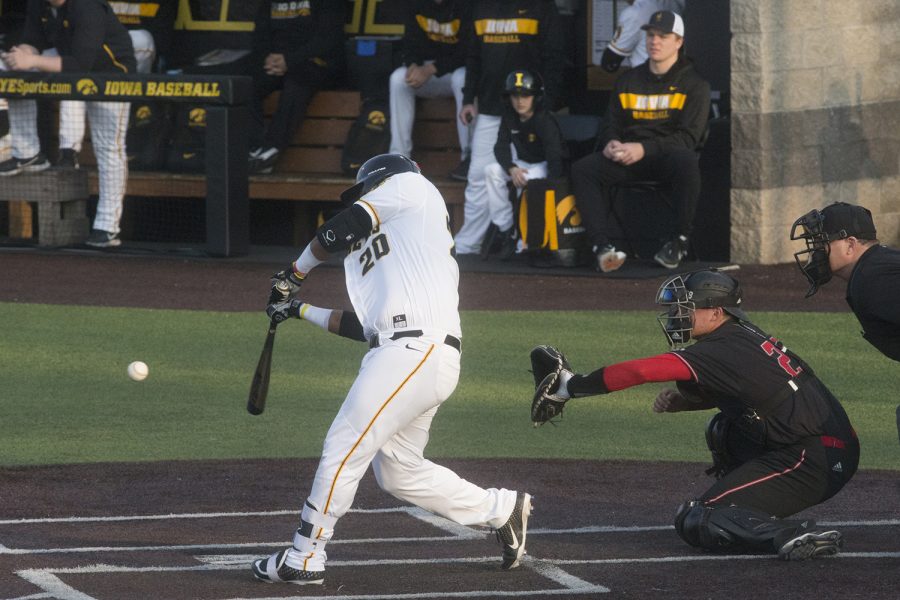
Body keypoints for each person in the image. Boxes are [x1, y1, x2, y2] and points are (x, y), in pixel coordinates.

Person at [250, 153, 532, 585]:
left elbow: (344, 225)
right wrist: (297, 309)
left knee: (344, 445)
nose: (362, 197)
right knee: (399, 471)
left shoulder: (410, 186)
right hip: (407, 355)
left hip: (414, 351)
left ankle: (305, 555)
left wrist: (295, 271)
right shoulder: (389, 250)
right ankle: (500, 510)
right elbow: (365, 327)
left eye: (364, 190)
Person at [531, 269, 859, 560]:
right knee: (722, 429)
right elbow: (754, 394)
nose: (677, 314)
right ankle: (747, 502)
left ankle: (788, 533)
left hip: (812, 458)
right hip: (821, 444)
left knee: (701, 517)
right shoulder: (740, 335)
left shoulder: (720, 348)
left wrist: (572, 386)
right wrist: (686, 403)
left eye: (686, 307)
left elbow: (641, 371)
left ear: (716, 312)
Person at [571, 10, 709, 272]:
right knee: (583, 168)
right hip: (627, 159)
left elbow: (688, 138)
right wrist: (611, 143)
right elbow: (610, 124)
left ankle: (678, 242)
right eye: (650, 35)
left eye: (663, 36)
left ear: (678, 41)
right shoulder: (628, 80)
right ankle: (602, 247)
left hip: (666, 160)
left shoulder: (694, 84)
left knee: (687, 161)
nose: (654, 41)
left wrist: (644, 148)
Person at [0, 0, 136, 248]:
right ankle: (27, 152)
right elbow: (33, 40)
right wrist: (22, 54)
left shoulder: (87, 7)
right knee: (7, 65)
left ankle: (107, 228)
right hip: (69, 59)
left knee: (109, 149)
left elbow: (80, 65)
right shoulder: (38, 4)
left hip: (112, 74)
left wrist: (33, 62)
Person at [452, 0, 564, 255]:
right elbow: (474, 57)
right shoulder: (480, 7)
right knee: (479, 176)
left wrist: (547, 104)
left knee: (529, 177)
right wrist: (469, 99)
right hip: (492, 108)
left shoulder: (541, 7)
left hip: (530, 112)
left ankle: (528, 240)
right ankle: (469, 244)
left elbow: (554, 57)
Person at [55, 0, 177, 169]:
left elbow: (163, 40)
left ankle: (137, 99)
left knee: (144, 38)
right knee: (75, 72)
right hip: (87, 50)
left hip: (123, 57)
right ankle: (68, 151)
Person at [791, 202, 900, 362]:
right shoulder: (877, 264)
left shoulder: (872, 278)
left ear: (850, 244)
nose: (816, 251)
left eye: (822, 243)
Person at [247, 0, 345, 174]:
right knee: (246, 84)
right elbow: (260, 34)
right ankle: (254, 148)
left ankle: (271, 149)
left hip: (314, 62)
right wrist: (269, 58)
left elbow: (327, 39)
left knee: (296, 83)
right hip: (275, 62)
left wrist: (290, 60)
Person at [481, 68, 566, 259]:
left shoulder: (544, 120)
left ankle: (524, 237)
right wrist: (511, 168)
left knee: (525, 180)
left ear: (536, 97)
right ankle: (506, 228)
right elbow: (500, 147)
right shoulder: (509, 116)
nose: (520, 101)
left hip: (542, 165)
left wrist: (553, 185)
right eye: (515, 95)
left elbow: (555, 157)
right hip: (521, 164)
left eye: (526, 95)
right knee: (491, 171)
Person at [389, 0, 472, 180]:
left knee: (463, 78)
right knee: (398, 79)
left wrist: (430, 69)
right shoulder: (415, 5)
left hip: (455, 71)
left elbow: (468, 51)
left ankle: (469, 157)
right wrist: (412, 65)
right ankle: (399, 158)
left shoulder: (467, 5)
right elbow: (410, 42)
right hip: (429, 74)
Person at [600, 0, 685, 73]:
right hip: (676, 78)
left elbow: (610, 63)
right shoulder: (675, 3)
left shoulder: (635, 13)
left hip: (647, 81)